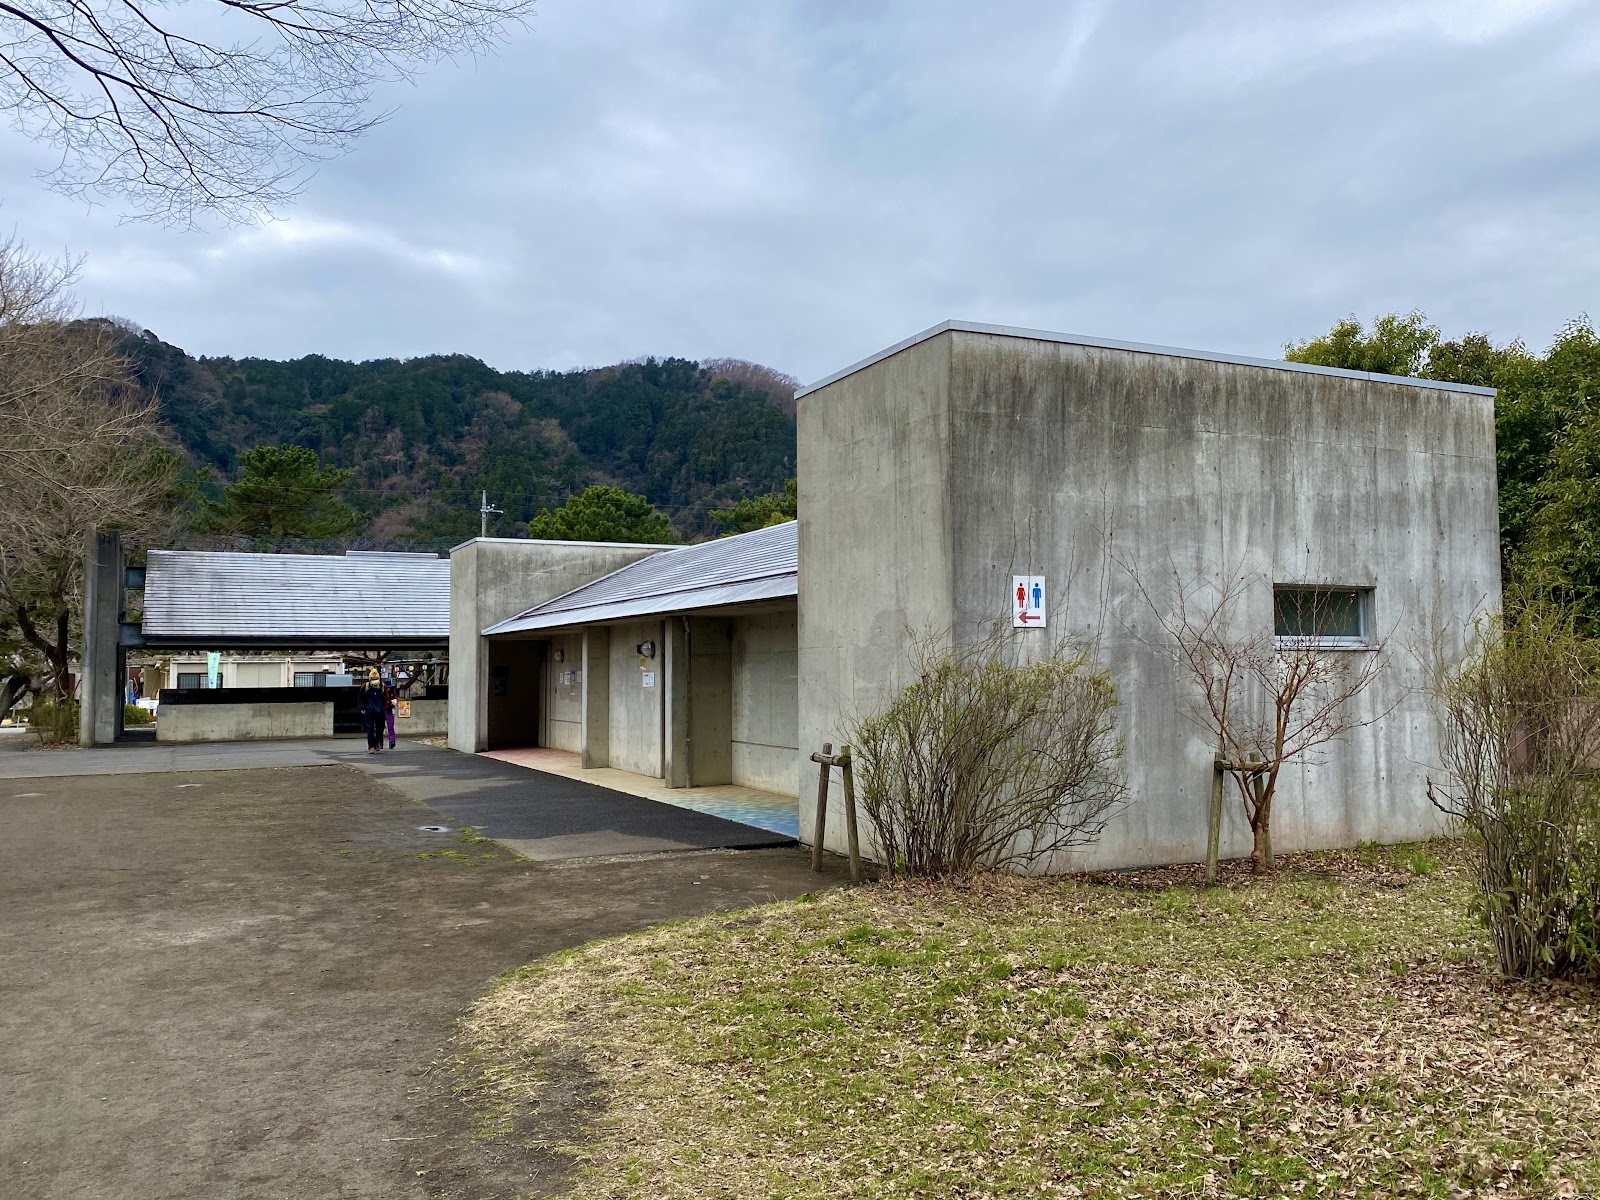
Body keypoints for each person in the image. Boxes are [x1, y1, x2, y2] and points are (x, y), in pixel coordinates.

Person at [358, 671, 386, 755]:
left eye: (376, 679)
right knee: (369, 729)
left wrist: (386, 707)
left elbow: (386, 698)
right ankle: (371, 746)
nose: (375, 681)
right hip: (369, 711)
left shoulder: (383, 687)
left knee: (380, 728)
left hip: (380, 711)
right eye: (373, 679)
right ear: (370, 679)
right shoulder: (365, 687)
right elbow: (360, 698)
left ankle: (378, 742)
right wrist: (363, 708)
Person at [383, 674, 398, 750]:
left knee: (390, 727)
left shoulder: (392, 691)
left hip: (389, 711)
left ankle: (392, 741)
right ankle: (380, 743)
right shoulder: (382, 692)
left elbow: (395, 700)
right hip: (382, 711)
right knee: (380, 727)